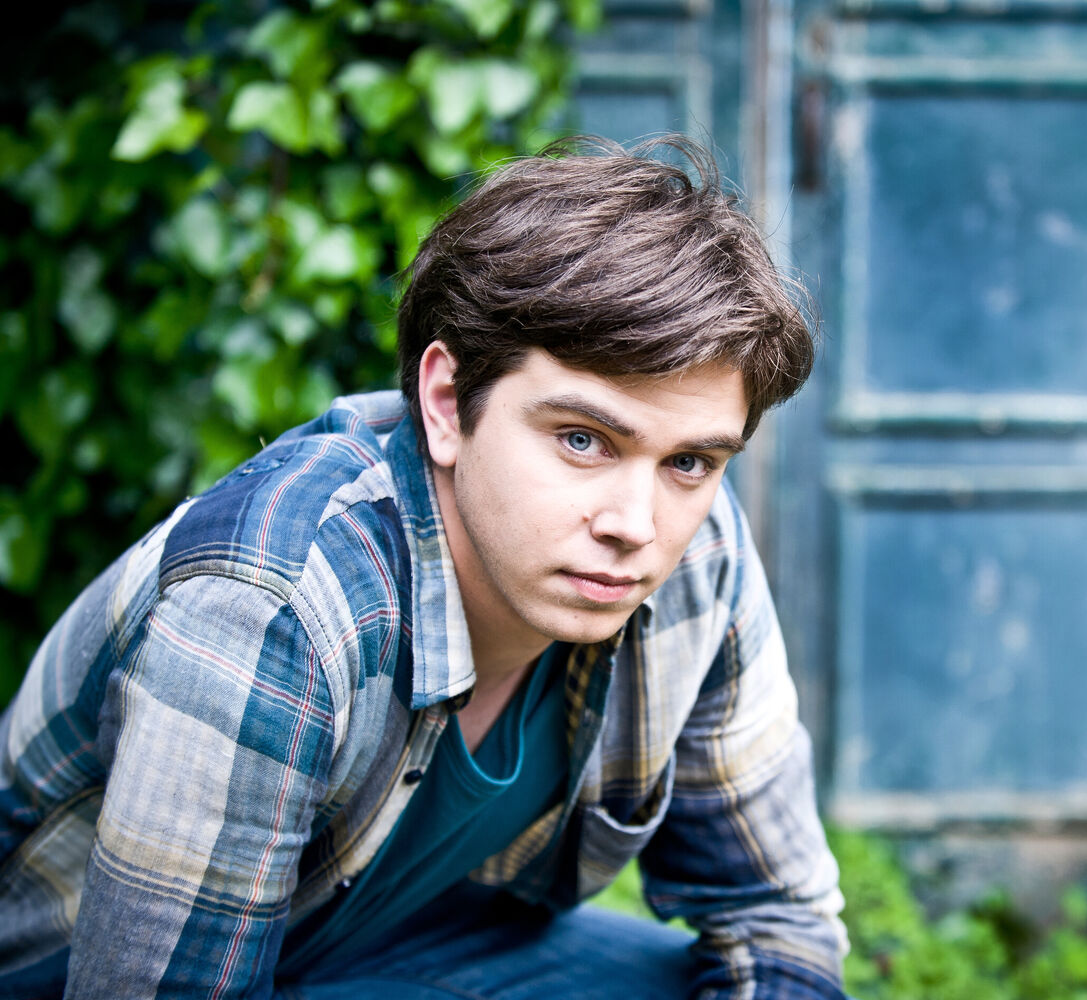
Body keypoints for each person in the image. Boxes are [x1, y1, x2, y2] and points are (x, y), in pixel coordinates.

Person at [0, 136, 847, 999]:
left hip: (388, 946)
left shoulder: (698, 551)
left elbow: (777, 916)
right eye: (582, 440)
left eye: (690, 462)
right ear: (446, 403)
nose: (636, 525)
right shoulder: (272, 602)